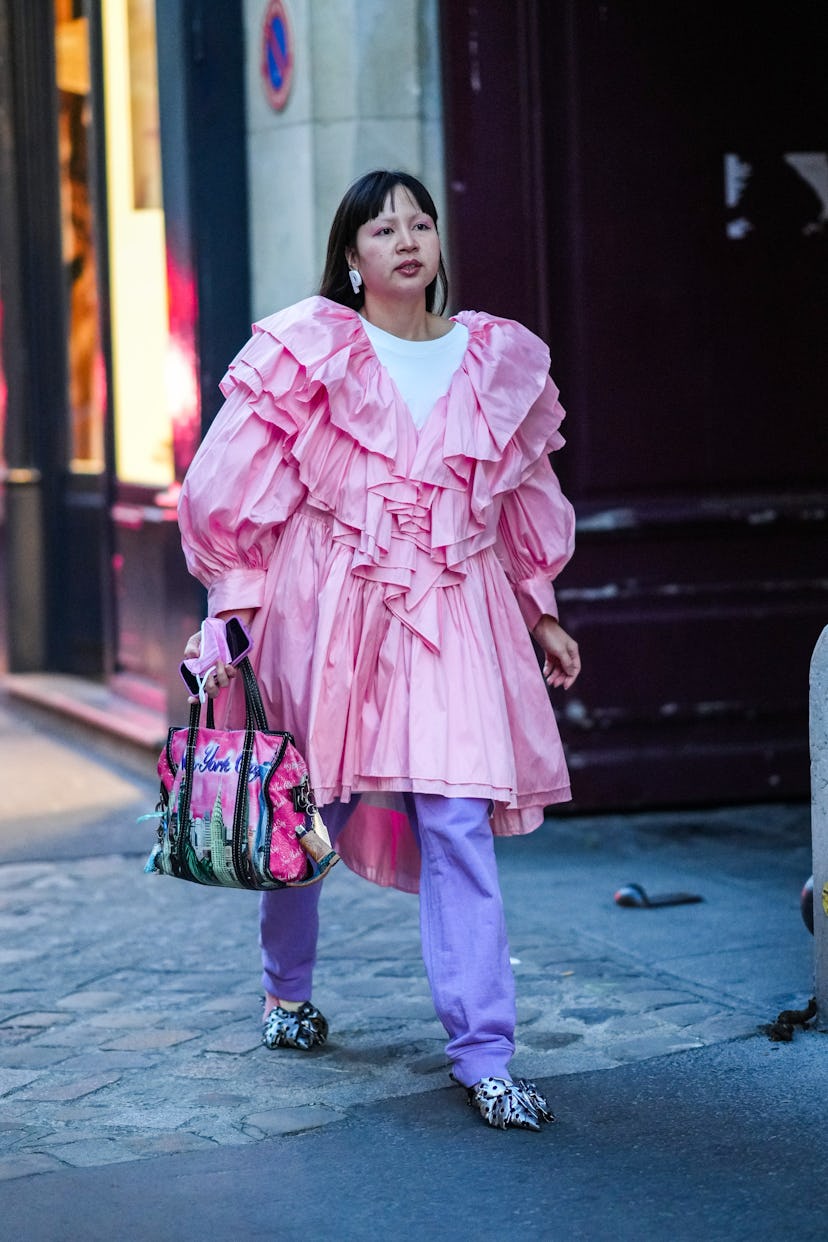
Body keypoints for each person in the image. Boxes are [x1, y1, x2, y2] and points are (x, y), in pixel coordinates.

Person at [178, 169, 581, 1131]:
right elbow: (228, 481)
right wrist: (236, 605)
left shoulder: (494, 358)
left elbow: (523, 498)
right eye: (382, 227)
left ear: (438, 247)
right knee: (308, 812)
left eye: (421, 223)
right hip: (328, 608)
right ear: (352, 259)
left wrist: (541, 610)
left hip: (457, 609)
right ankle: (286, 993)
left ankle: (484, 1053)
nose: (406, 238)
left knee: (457, 821)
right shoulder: (309, 348)